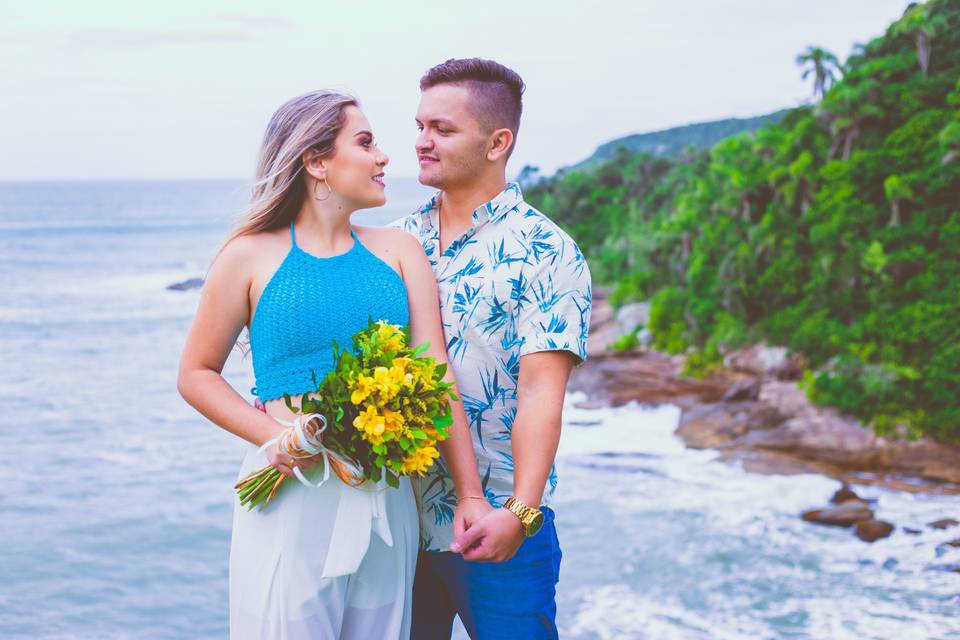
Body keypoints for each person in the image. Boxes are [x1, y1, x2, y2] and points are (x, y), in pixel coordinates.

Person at [177, 90, 490, 640]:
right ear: (316, 161)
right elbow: (197, 374)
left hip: (385, 497)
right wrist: (275, 437)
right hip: (290, 488)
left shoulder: (399, 252)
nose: (384, 157)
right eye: (365, 142)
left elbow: (435, 375)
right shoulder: (249, 255)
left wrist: (469, 494)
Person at [392, 59, 592, 640]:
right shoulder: (395, 242)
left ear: (497, 142)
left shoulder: (548, 250)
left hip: (498, 527)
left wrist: (521, 515)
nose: (422, 142)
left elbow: (540, 394)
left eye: (443, 129)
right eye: (420, 125)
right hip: (398, 519)